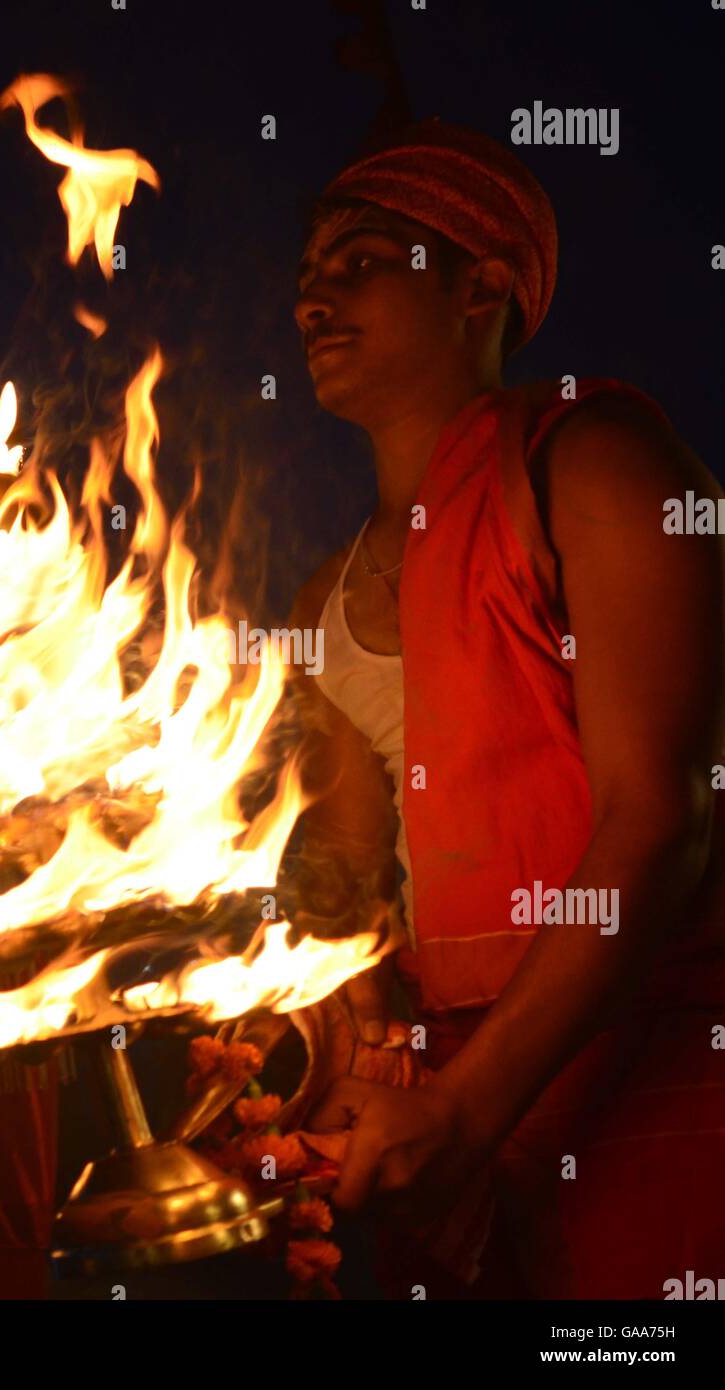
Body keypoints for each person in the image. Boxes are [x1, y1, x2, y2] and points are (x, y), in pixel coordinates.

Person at [290, 118, 725, 1298]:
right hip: (445, 1092)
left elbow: (660, 818)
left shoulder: (595, 465)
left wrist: (470, 1110)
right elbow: (344, 877)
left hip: (649, 1053)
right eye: (306, 278)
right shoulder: (316, 601)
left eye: (360, 260)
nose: (313, 300)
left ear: (480, 283)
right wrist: (308, 1043)